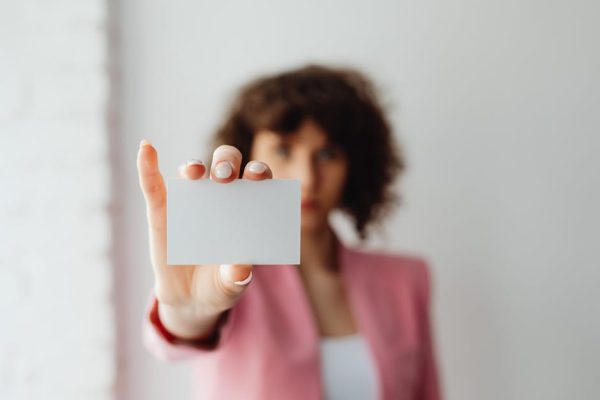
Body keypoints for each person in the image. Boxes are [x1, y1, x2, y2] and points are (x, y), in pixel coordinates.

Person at [137, 64, 442, 400]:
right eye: (284, 149)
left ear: (355, 166)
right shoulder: (224, 270)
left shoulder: (406, 280)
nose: (307, 178)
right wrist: (187, 311)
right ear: (248, 150)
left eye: (327, 154)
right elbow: (178, 333)